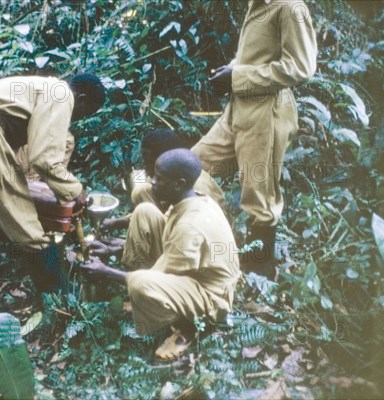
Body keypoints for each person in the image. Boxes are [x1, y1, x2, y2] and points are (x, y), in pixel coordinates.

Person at [0, 74, 106, 292]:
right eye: (85, 113)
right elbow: (45, 160)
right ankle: (57, 297)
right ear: (81, 98)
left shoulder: (42, 86)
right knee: (23, 220)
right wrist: (76, 191)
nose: (78, 119)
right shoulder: (62, 94)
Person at [191, 0, 317, 278]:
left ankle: (258, 275)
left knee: (258, 197)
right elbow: (257, 56)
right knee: (192, 167)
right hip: (239, 109)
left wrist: (237, 76)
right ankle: (223, 239)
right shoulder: (257, 3)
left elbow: (300, 67)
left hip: (266, 114)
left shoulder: (289, 7)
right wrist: (231, 70)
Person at [80, 149, 240, 360]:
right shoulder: (188, 200)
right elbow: (167, 237)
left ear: (179, 184)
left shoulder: (190, 226)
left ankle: (188, 327)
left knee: (140, 284)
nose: (152, 181)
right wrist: (113, 249)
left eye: (159, 178)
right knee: (144, 211)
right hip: (191, 269)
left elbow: (159, 273)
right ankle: (141, 300)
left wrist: (106, 272)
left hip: (211, 295)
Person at [99, 128, 226, 237]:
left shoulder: (197, 188)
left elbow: (201, 231)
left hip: (196, 236)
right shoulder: (165, 174)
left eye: (149, 162)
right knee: (141, 191)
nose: (145, 167)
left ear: (166, 159)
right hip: (175, 223)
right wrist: (115, 223)